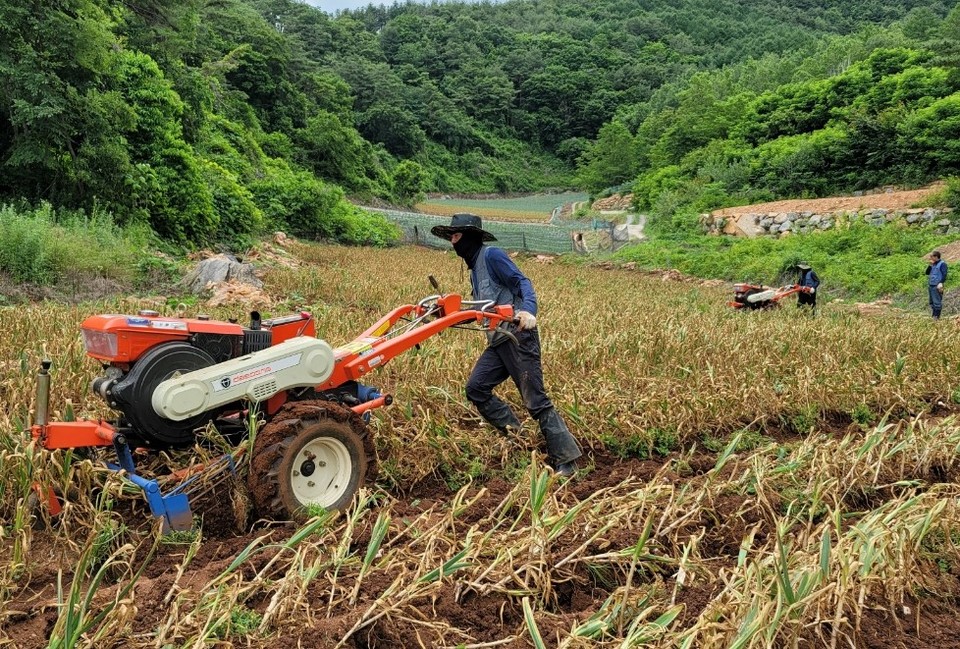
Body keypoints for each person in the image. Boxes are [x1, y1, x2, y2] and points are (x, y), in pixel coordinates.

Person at [431, 213, 582, 477]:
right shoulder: (474, 272)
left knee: (535, 400)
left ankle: (567, 460)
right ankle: (518, 436)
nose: (453, 243)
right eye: (451, 238)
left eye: (456, 237)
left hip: (517, 336)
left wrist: (527, 310)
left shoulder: (492, 256)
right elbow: (480, 309)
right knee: (476, 388)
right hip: (498, 341)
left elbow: (522, 282)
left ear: (471, 237)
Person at [926, 250, 948, 319]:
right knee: (931, 302)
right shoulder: (933, 264)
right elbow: (927, 273)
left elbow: (944, 274)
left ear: (936, 257)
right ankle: (934, 316)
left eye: (931, 256)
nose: (930, 258)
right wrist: (930, 265)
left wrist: (941, 283)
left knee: (937, 302)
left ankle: (936, 318)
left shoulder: (942, 264)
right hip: (931, 285)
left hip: (937, 286)